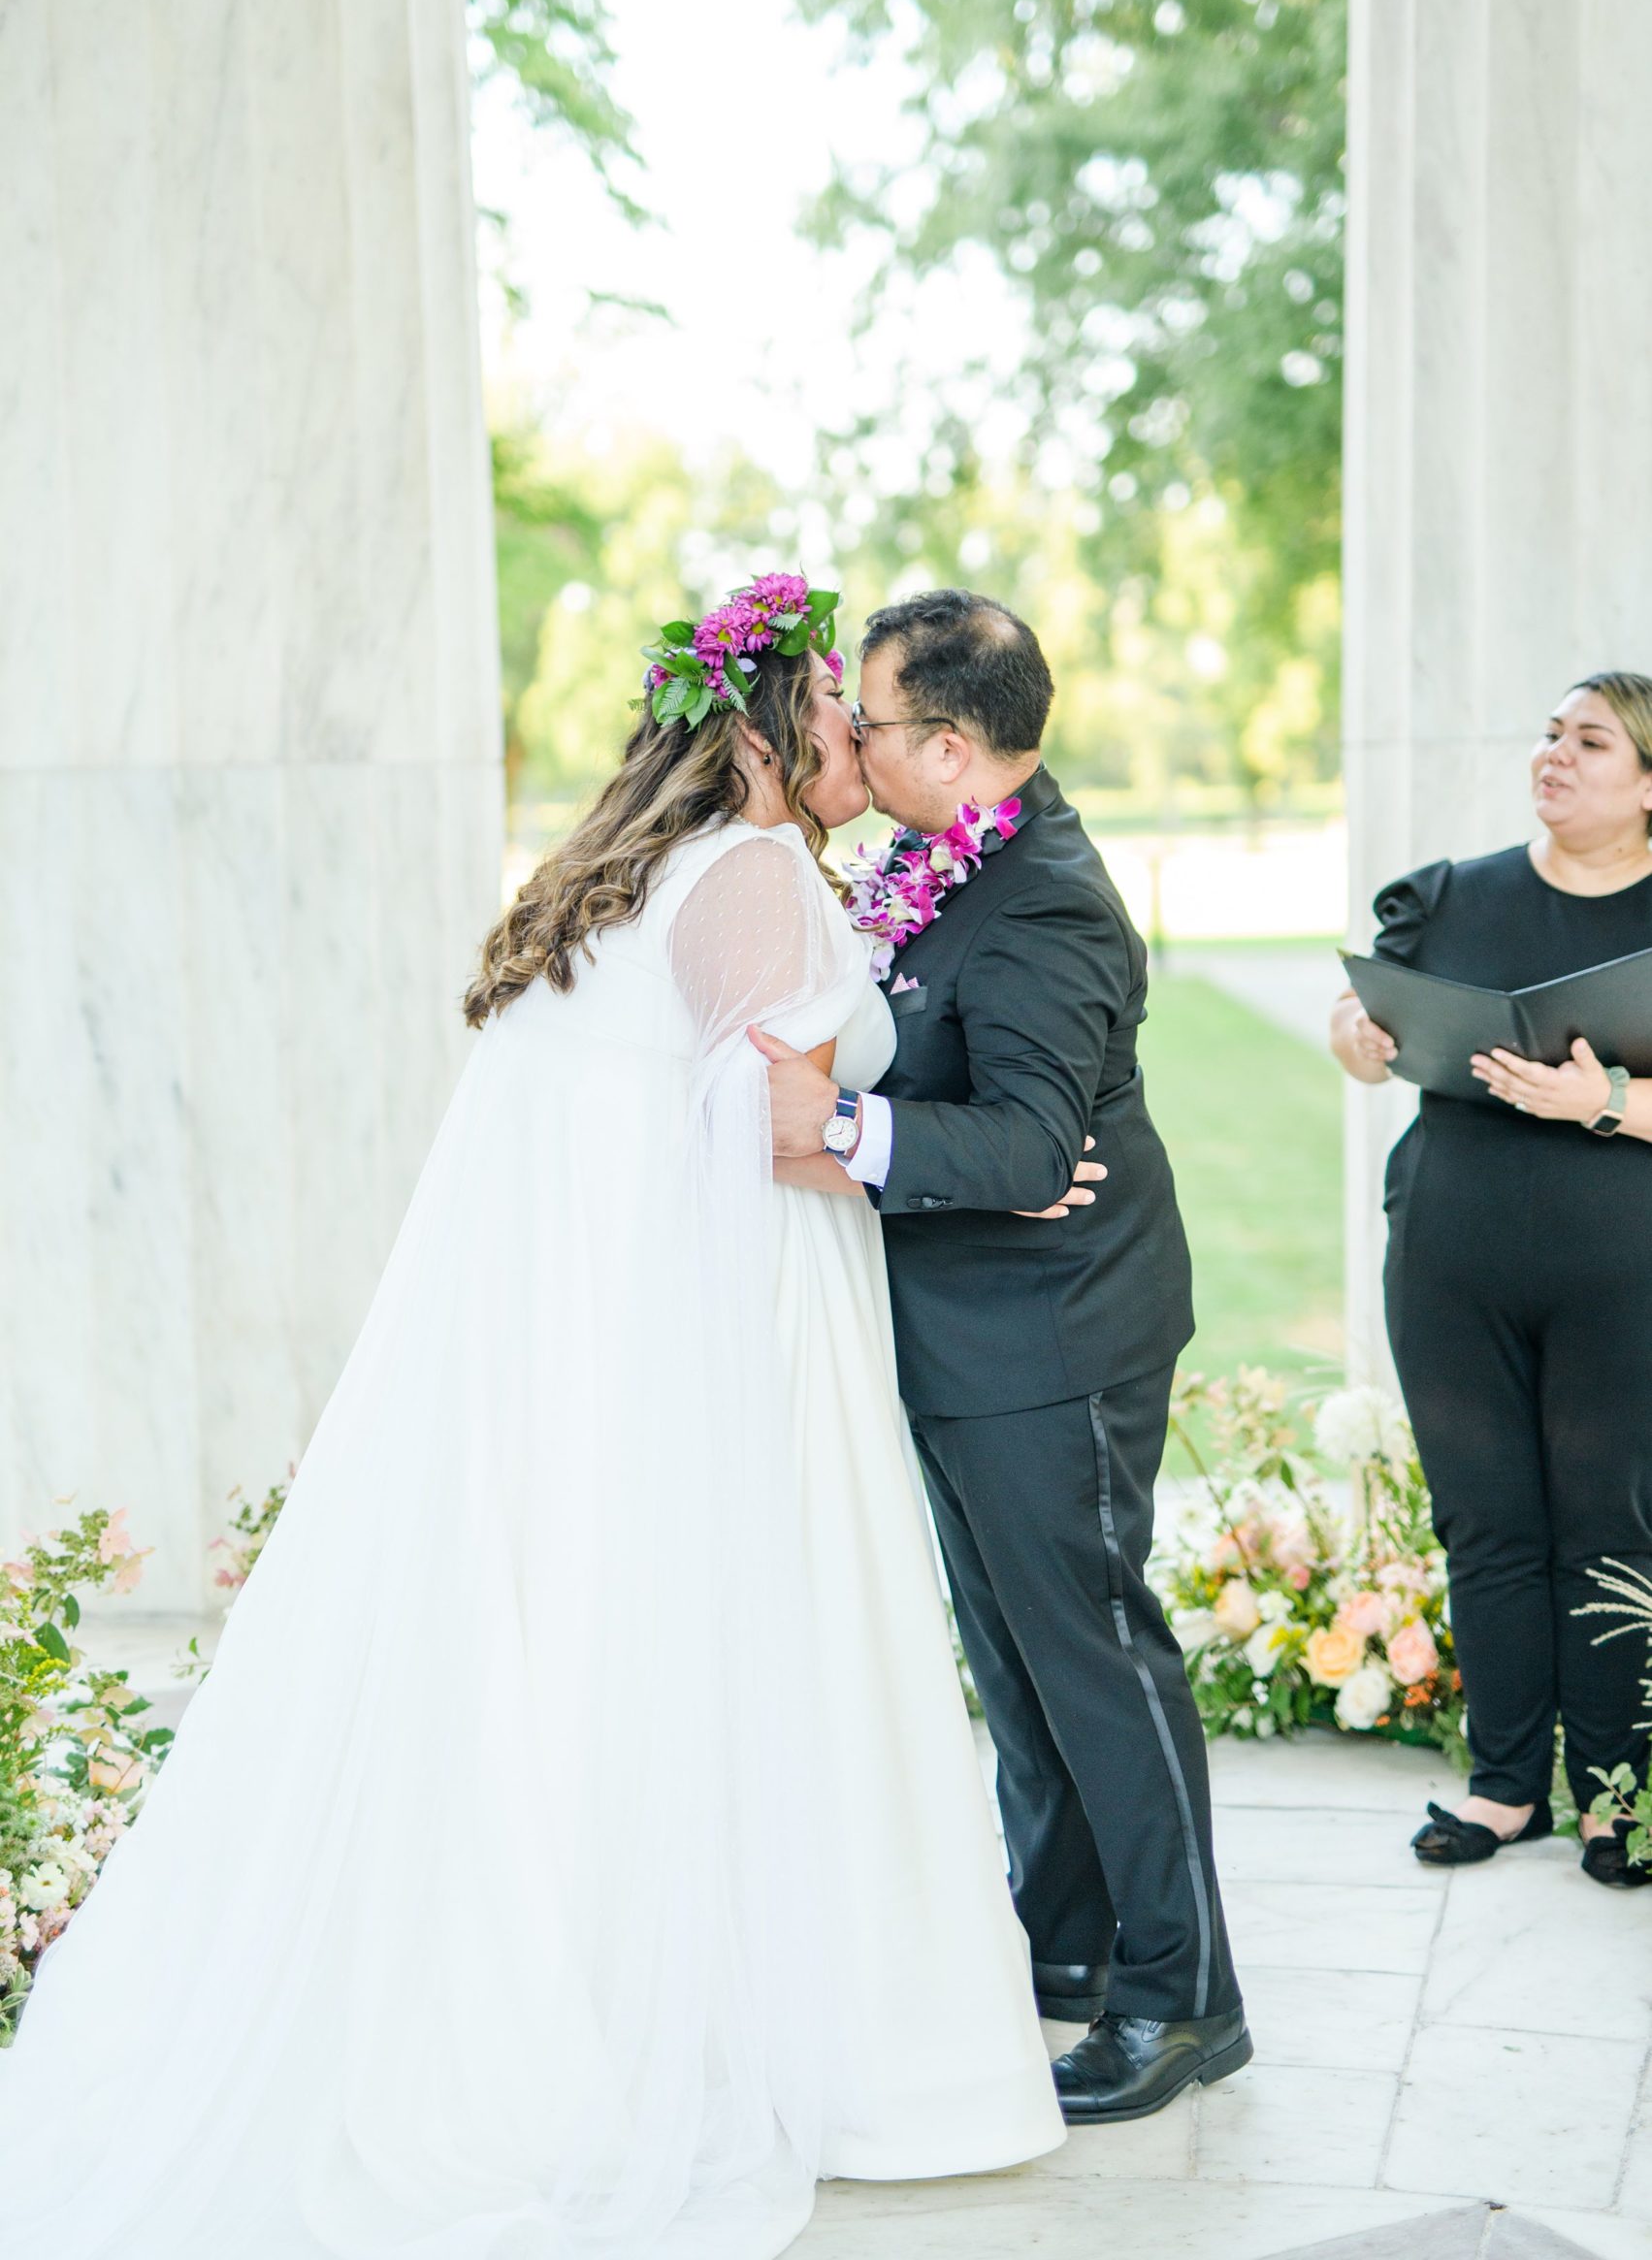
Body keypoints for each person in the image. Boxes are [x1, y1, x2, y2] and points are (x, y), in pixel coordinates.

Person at [0, 576, 1067, 2259]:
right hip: (751, 1315)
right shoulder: (753, 874)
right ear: (772, 727)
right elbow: (784, 1130)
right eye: (835, 713)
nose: (858, 739)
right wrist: (991, 1157)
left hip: (632, 1315)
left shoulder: (627, 875)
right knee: (772, 1666)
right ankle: (830, 2047)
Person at [758, 589, 1249, 2127]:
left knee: (1094, 1659)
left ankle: (1182, 2000)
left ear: (954, 748)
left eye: (873, 718)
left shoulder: (1042, 899)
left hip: (1055, 1337)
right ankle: (1066, 1947)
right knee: (1021, 1669)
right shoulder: (927, 858)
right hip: (965, 1329)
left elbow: (1036, 1138)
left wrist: (833, 1131)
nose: (845, 732)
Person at [1332, 670, 1652, 1889]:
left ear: (1643, 783)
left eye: (1588, 741)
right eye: (1548, 734)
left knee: (1610, 1526)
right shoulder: (1451, 895)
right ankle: (1504, 1782)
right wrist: (1354, 1039)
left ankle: (1617, 1798)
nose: (1552, 755)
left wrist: (1604, 1100)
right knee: (1484, 1520)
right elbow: (1359, 1028)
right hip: (1450, 1259)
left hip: (1618, 1274)